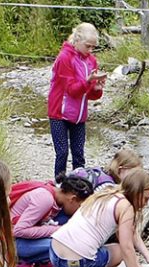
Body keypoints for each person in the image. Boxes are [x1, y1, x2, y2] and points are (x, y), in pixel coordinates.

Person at [50, 169, 149, 267]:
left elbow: (130, 232)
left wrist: (144, 260)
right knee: (119, 251)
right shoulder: (126, 207)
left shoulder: (108, 193)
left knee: (101, 248)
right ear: (136, 191)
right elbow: (126, 247)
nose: (146, 204)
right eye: (145, 198)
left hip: (54, 254)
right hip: (74, 263)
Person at [48, 22, 105, 178]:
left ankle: (79, 185)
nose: (91, 50)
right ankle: (59, 186)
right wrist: (88, 82)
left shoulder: (91, 61)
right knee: (62, 153)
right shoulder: (64, 58)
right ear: (77, 40)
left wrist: (97, 89)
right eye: (88, 46)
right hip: (59, 113)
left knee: (79, 154)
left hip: (79, 115)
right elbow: (72, 90)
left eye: (93, 47)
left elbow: (89, 95)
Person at [9, 175, 94, 267]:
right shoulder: (45, 198)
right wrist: (58, 229)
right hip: (11, 245)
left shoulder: (52, 192)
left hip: (17, 240)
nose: (80, 211)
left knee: (66, 229)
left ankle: (40, 261)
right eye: (81, 207)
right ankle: (18, 262)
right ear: (73, 199)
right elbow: (19, 231)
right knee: (65, 243)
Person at [66, 148, 143, 191]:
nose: (135, 177)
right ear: (120, 169)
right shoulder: (108, 187)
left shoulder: (99, 170)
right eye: (133, 173)